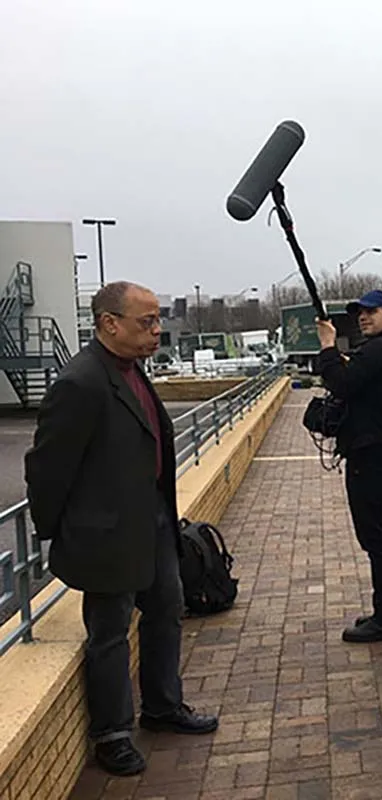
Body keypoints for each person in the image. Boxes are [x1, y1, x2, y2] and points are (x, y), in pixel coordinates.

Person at [24, 282, 219, 777]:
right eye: (146, 322)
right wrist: (58, 530)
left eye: (157, 321)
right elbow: (48, 467)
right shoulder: (81, 382)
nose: (157, 331)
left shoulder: (131, 371)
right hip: (106, 535)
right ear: (109, 323)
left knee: (166, 611)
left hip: (151, 521)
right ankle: (112, 734)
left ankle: (162, 707)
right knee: (109, 635)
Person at [315, 289, 382, 643]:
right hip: (381, 453)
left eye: (372, 312)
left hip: (372, 456)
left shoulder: (381, 350)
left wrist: (327, 345)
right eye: (360, 312)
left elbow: (340, 384)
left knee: (376, 537)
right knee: (379, 534)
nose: (363, 316)